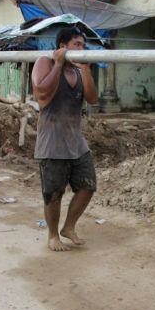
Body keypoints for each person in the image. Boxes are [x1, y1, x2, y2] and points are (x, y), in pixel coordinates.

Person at [31, 27, 99, 251]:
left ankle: (68, 226)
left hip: (76, 141)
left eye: (83, 45)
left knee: (88, 185)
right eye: (77, 45)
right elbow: (41, 94)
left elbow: (92, 99)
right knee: (54, 194)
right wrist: (59, 64)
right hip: (52, 141)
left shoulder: (79, 72)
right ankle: (52, 235)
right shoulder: (45, 62)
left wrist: (87, 69)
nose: (81, 49)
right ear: (63, 46)